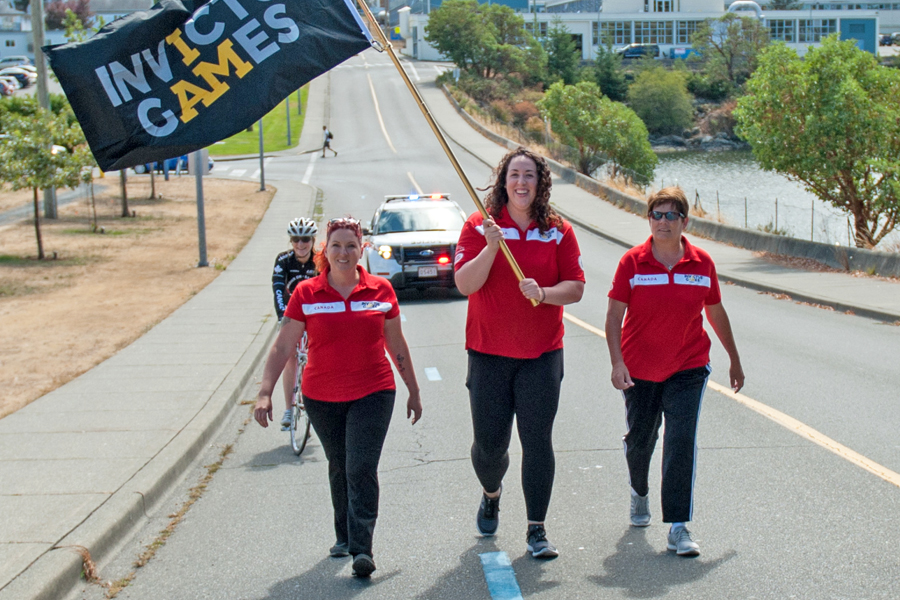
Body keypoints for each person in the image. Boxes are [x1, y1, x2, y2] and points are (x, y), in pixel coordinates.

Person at [255, 216, 422, 578]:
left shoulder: (381, 291)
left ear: (361, 249)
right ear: (325, 251)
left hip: (374, 391)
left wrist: (414, 390)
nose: (344, 252)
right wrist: (265, 393)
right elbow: (284, 344)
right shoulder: (306, 294)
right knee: (339, 464)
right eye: (336, 246)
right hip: (321, 396)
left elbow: (396, 343)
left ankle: (363, 549)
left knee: (360, 466)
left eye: (351, 245)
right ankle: (344, 536)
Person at [454, 147, 585, 559]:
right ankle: (491, 493)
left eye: (530, 175)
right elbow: (464, 284)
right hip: (488, 354)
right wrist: (490, 247)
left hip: (542, 356)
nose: (522, 182)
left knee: (537, 441)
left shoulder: (559, 230)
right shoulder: (479, 225)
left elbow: (577, 287)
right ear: (503, 180)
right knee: (490, 448)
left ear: (540, 182)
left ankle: (536, 529)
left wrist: (544, 293)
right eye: (515, 175)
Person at [605, 186, 744, 557]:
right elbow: (614, 317)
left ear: (685, 221)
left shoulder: (702, 263)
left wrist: (734, 357)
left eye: (671, 215)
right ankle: (639, 491)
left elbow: (715, 312)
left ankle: (679, 526)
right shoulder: (632, 263)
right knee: (641, 441)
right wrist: (617, 362)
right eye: (656, 214)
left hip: (688, 367)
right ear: (649, 219)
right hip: (640, 369)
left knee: (680, 441)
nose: (663, 222)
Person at [272, 218, 320, 429]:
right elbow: (278, 290)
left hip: (315, 314)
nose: (300, 245)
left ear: (312, 240)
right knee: (290, 357)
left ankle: (315, 403)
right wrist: (284, 316)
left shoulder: (320, 260)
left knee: (317, 356)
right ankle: (289, 409)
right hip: (291, 315)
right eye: (295, 240)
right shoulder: (283, 260)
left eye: (305, 240)